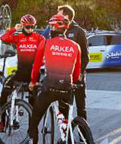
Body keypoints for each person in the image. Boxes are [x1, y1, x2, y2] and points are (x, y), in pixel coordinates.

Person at [27, 14, 81, 144]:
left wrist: (33, 82)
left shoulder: (45, 43)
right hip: (67, 88)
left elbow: (36, 66)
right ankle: (65, 136)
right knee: (65, 117)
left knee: (36, 115)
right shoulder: (75, 46)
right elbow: (76, 71)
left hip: (49, 87)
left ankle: (32, 137)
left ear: (52, 28)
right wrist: (71, 82)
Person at [0, 14, 44, 132]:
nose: (30, 29)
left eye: (32, 27)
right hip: (20, 73)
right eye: (27, 27)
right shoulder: (19, 37)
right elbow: (3, 38)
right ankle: (3, 121)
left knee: (32, 102)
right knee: (3, 95)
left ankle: (32, 128)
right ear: (22, 26)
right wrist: (14, 29)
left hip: (33, 74)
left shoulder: (39, 38)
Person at [57, 5, 89, 120]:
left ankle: (84, 136)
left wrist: (80, 73)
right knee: (63, 107)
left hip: (77, 77)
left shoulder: (79, 31)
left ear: (66, 16)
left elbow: (86, 56)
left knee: (81, 107)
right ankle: (65, 135)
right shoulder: (58, 29)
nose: (57, 16)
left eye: (59, 14)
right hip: (63, 77)